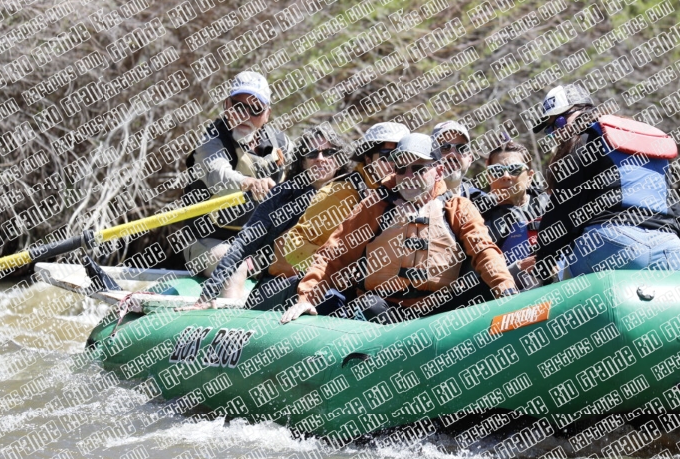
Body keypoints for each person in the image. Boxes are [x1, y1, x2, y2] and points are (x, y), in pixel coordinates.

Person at [281, 133, 517, 324]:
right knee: (367, 306)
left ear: (439, 170)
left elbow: (484, 251)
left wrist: (505, 288)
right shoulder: (373, 207)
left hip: (441, 311)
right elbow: (333, 256)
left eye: (418, 168)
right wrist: (308, 297)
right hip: (383, 309)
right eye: (401, 168)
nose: (408, 176)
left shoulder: (457, 207)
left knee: (480, 291)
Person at [531, 84, 680, 282]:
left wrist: (543, 274)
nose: (556, 134)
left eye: (557, 123)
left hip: (612, 245)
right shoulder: (639, 141)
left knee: (564, 276)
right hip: (670, 248)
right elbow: (678, 213)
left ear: (577, 113)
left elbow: (560, 218)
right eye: (550, 130)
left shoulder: (580, 144)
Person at [186, 125, 357, 311]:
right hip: (281, 287)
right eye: (312, 154)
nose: (320, 159)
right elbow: (242, 245)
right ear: (302, 162)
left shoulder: (357, 196)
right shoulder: (282, 196)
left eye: (329, 152)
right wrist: (208, 294)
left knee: (337, 298)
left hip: (332, 288)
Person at [180, 71, 294, 298]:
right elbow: (218, 174)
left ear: (267, 114)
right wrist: (248, 182)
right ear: (226, 106)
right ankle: (228, 330)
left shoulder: (282, 144)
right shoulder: (212, 140)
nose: (244, 115)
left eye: (255, 108)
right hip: (210, 242)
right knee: (235, 264)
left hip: (259, 246)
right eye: (238, 107)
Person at [460, 142, 550, 291]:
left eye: (514, 169)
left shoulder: (552, 205)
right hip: (508, 303)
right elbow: (469, 285)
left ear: (529, 176)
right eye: (497, 171)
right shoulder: (477, 219)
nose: (506, 176)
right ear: (489, 177)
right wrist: (516, 270)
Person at [432, 121, 475, 194]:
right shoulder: (416, 201)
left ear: (470, 159)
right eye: (444, 147)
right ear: (430, 155)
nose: (453, 154)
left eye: (461, 148)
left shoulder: (482, 201)